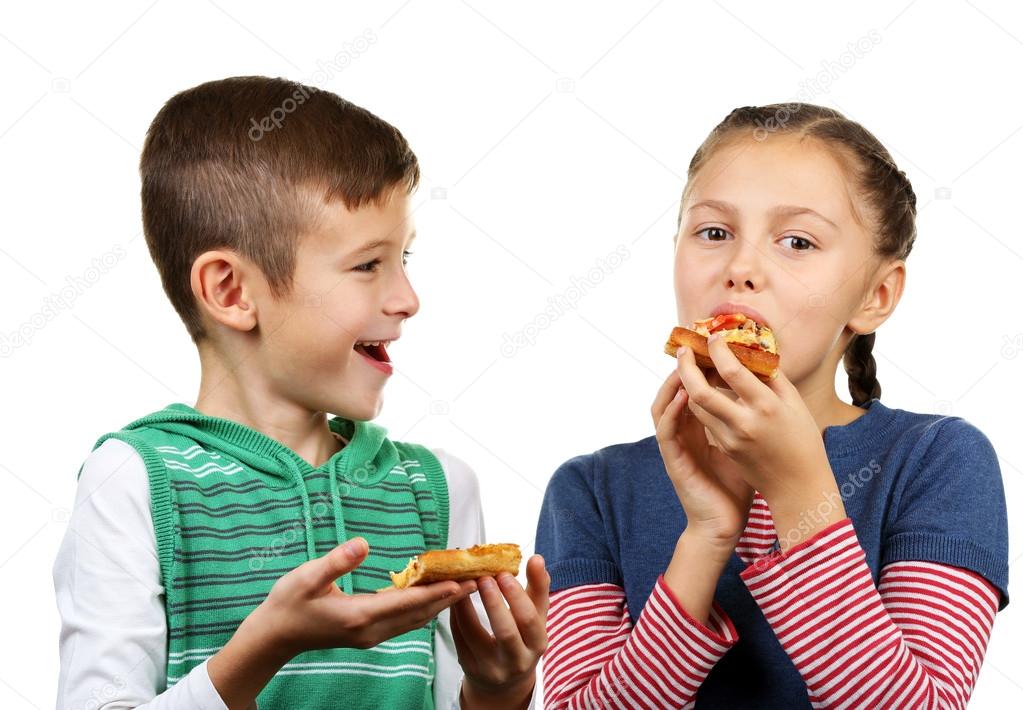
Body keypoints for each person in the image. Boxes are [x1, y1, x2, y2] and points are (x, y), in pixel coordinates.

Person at [53, 76, 548, 710]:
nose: (407, 299)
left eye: (405, 259)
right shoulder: (132, 482)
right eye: (369, 265)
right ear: (232, 292)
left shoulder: (439, 489)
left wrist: (499, 688)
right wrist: (262, 647)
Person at [535, 103, 1009, 708]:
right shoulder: (590, 489)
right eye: (713, 232)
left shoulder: (939, 460)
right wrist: (707, 536)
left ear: (876, 294)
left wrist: (799, 492)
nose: (740, 268)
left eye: (797, 241)